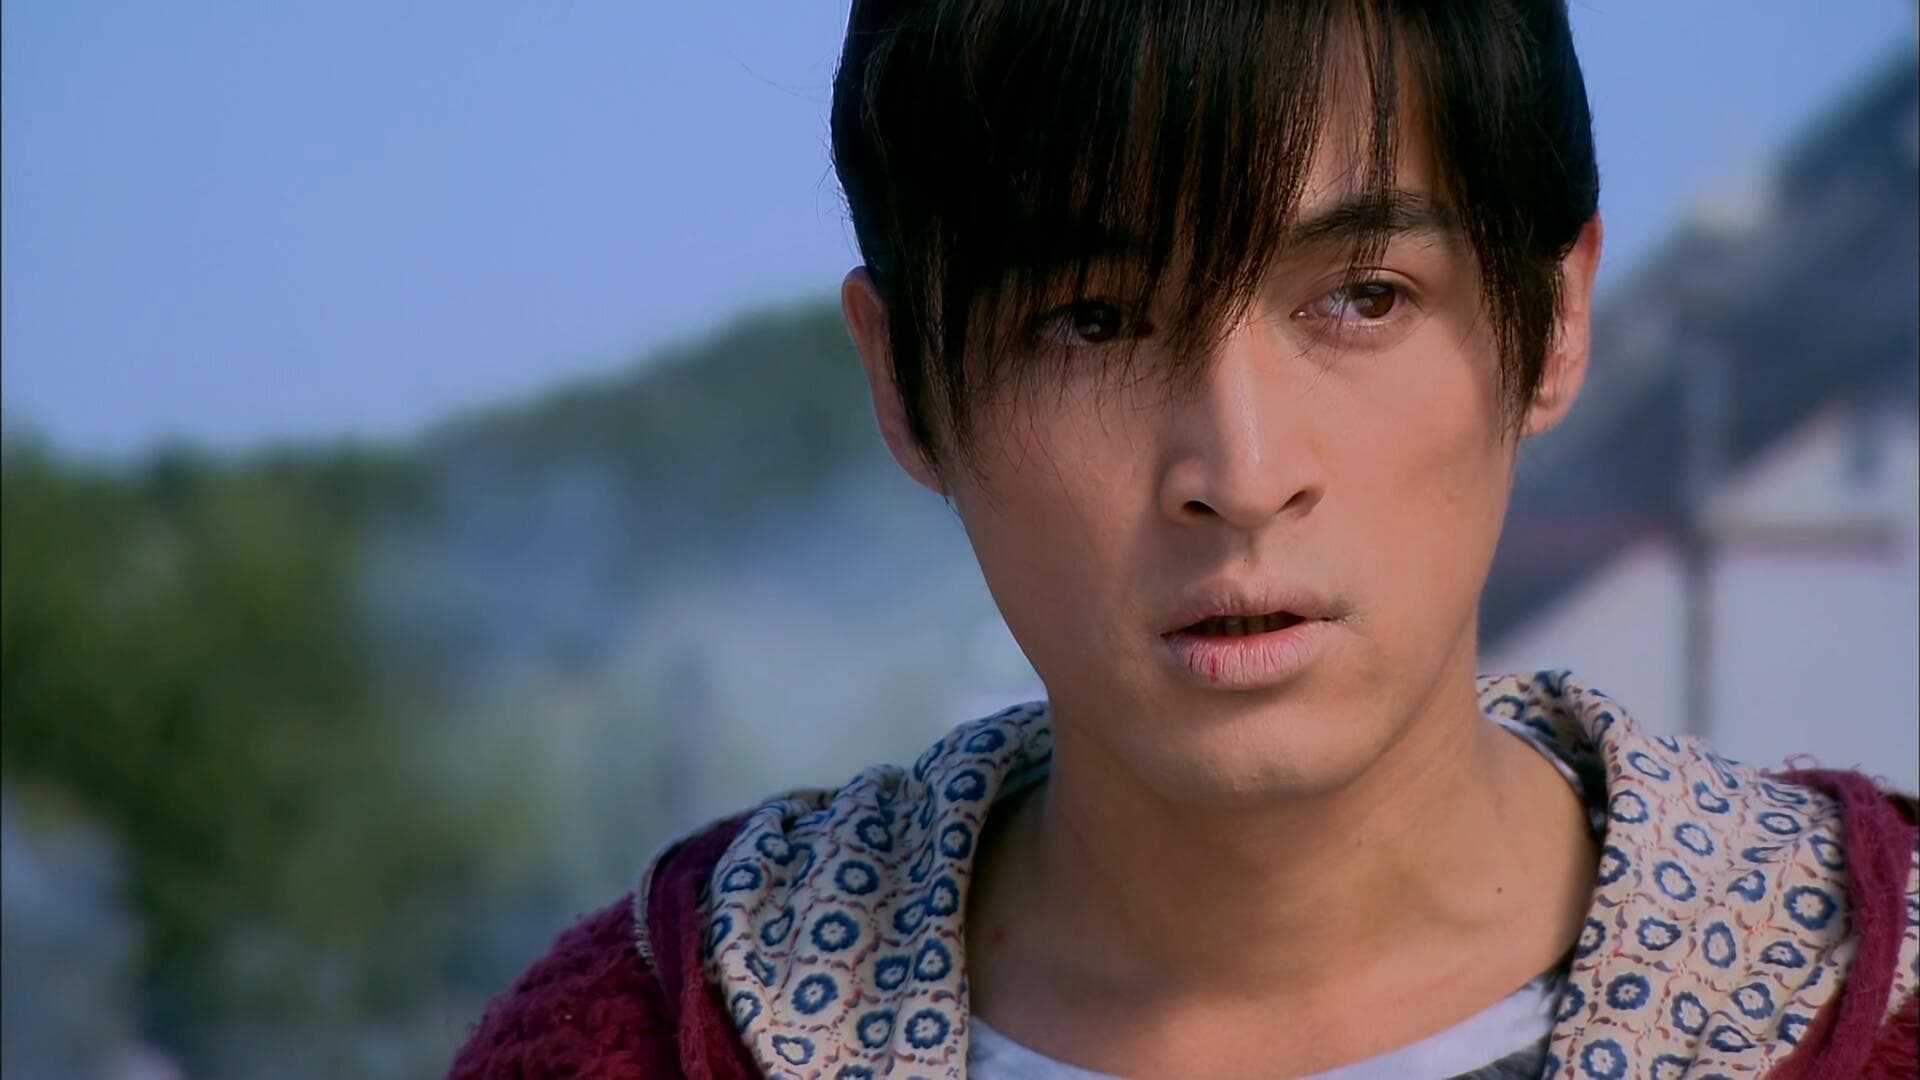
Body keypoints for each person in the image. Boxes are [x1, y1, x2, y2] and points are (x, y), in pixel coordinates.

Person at [451, 1, 1920, 1076]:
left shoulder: (1872, 999)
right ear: (903, 384)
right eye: (1090, 319)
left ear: (1555, 323)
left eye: (1362, 297)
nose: (1241, 471)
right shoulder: (647, 1038)